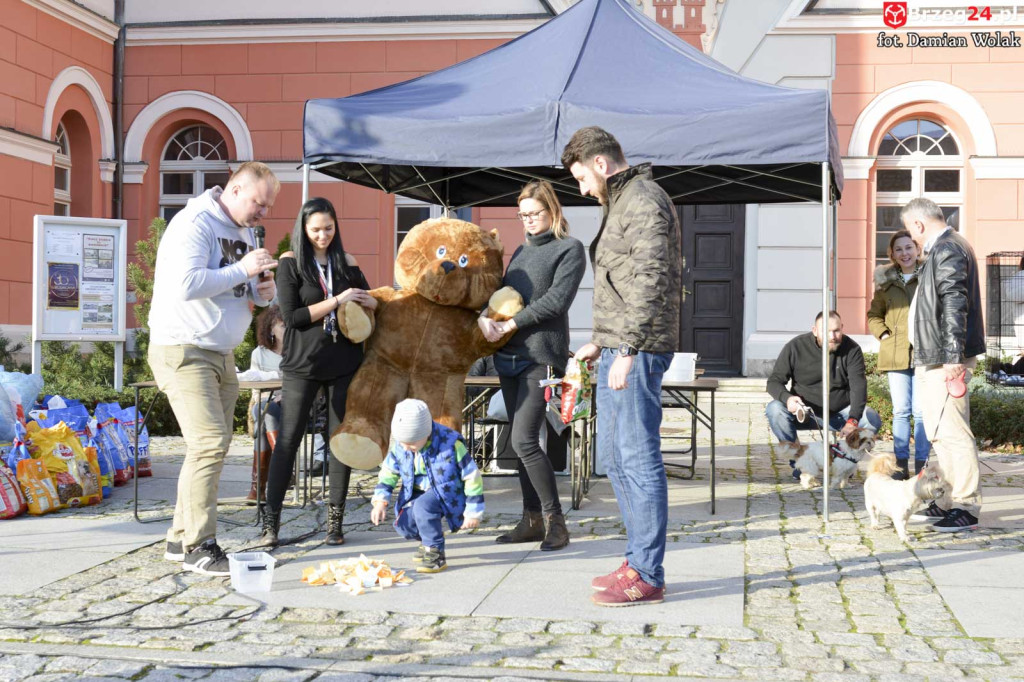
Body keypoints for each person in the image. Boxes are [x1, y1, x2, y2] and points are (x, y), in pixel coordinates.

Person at [562, 126, 681, 607]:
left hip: (639, 349)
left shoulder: (643, 199)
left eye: (580, 177)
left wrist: (628, 347)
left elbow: (652, 277)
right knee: (613, 458)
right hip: (618, 347)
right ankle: (636, 560)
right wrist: (601, 343)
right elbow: (622, 283)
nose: (581, 188)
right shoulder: (621, 201)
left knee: (637, 459)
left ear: (601, 165)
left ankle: (648, 573)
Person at [149, 161, 280, 576]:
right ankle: (199, 546)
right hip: (184, 349)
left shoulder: (242, 230)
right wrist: (243, 269)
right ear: (236, 189)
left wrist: (263, 290)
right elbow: (186, 284)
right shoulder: (195, 223)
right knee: (208, 444)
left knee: (212, 446)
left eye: (267, 206)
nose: (263, 213)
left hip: (220, 354)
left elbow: (237, 289)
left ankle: (179, 535)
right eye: (259, 203)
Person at [259, 197, 377, 547]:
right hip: (302, 365)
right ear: (303, 229)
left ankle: (335, 524)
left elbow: (369, 302)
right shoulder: (291, 263)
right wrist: (337, 300)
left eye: (328, 228)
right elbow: (293, 317)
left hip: (344, 363)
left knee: (340, 443)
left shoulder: (347, 263)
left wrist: (373, 302)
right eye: (315, 229)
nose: (322, 235)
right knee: (288, 442)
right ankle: (271, 525)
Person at [478, 180, 586, 552]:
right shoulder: (521, 251)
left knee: (525, 439)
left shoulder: (570, 249)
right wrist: (484, 319)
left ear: (552, 211)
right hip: (508, 357)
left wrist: (511, 324)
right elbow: (501, 295)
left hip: (542, 355)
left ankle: (556, 521)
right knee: (519, 439)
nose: (527, 221)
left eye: (534, 214)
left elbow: (556, 301)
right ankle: (531, 519)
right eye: (522, 215)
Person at [901, 197, 985, 532]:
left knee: (952, 433)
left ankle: (965, 504)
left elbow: (954, 303)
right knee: (939, 433)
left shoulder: (947, 248)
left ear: (919, 225)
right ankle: (949, 499)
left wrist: (953, 356)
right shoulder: (945, 246)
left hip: (943, 357)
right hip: (935, 355)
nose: (912, 238)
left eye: (911, 231)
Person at [370, 399, 485, 573]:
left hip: (445, 491)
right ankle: (427, 540)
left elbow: (472, 476)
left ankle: (435, 551)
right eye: (403, 443)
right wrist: (380, 501)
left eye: (412, 443)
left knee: (423, 507)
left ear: (427, 432)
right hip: (415, 490)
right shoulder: (401, 447)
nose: (407, 448)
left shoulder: (451, 444)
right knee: (404, 524)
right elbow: (388, 473)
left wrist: (473, 511)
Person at [766, 311, 882, 459]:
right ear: (815, 331)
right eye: (826, 331)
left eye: (836, 331)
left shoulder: (852, 349)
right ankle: (798, 461)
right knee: (774, 409)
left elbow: (858, 387)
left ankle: (845, 461)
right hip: (805, 413)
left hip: (840, 414)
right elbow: (774, 381)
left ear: (842, 328)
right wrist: (788, 398)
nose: (832, 337)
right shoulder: (795, 347)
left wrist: (853, 420)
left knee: (871, 419)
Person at [867, 230, 931, 480]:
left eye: (908, 248)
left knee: (922, 412)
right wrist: (884, 335)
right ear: (892, 254)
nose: (904, 253)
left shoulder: (929, 277)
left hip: (925, 352)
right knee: (902, 410)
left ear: (917, 249)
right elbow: (874, 315)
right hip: (895, 354)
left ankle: (923, 465)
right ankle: (901, 465)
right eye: (899, 249)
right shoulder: (885, 283)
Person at [247, 305, 284, 502]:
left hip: (292, 405)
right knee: (265, 411)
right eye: (282, 326)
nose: (287, 330)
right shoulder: (259, 354)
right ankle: (284, 469)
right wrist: (267, 399)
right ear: (271, 329)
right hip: (264, 402)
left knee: (264, 416)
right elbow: (255, 387)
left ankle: (257, 488)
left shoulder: (298, 352)